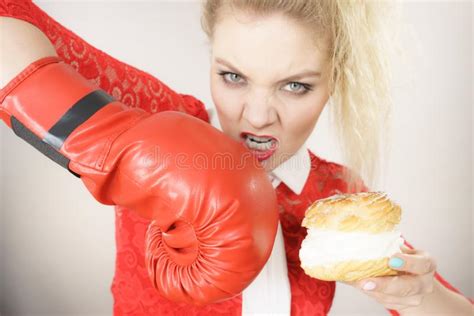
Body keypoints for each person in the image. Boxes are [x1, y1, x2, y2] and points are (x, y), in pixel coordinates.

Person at [0, 0, 472, 315]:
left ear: (334, 82)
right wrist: (115, 149)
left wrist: (421, 292)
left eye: (295, 85)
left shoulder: (336, 198)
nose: (257, 116)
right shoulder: (160, 120)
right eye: (233, 77)